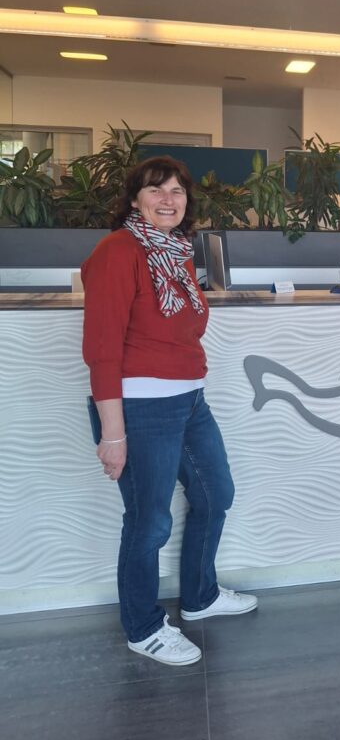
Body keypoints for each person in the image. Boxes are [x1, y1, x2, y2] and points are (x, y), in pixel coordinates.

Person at [81, 155, 257, 666]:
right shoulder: (119, 251)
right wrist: (113, 433)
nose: (167, 199)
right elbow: (102, 349)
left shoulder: (176, 252)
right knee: (149, 522)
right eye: (155, 189)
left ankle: (200, 596)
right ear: (135, 199)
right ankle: (142, 627)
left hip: (189, 399)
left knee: (215, 493)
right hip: (141, 406)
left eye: (177, 191)